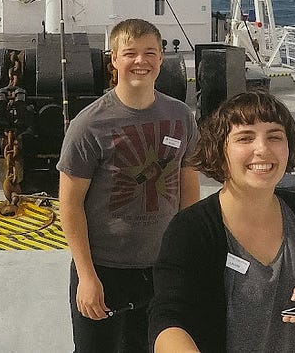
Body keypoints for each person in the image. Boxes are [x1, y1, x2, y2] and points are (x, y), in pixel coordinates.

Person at [150, 91, 295, 353]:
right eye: (245, 138)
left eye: (274, 136)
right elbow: (167, 320)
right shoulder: (192, 229)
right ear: (220, 150)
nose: (262, 148)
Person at [58, 18, 200, 353]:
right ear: (114, 60)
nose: (141, 61)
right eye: (130, 53)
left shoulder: (181, 117)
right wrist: (87, 277)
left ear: (161, 58)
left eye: (150, 52)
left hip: (161, 267)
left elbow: (188, 186)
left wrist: (188, 257)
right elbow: (70, 204)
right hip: (104, 270)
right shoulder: (89, 125)